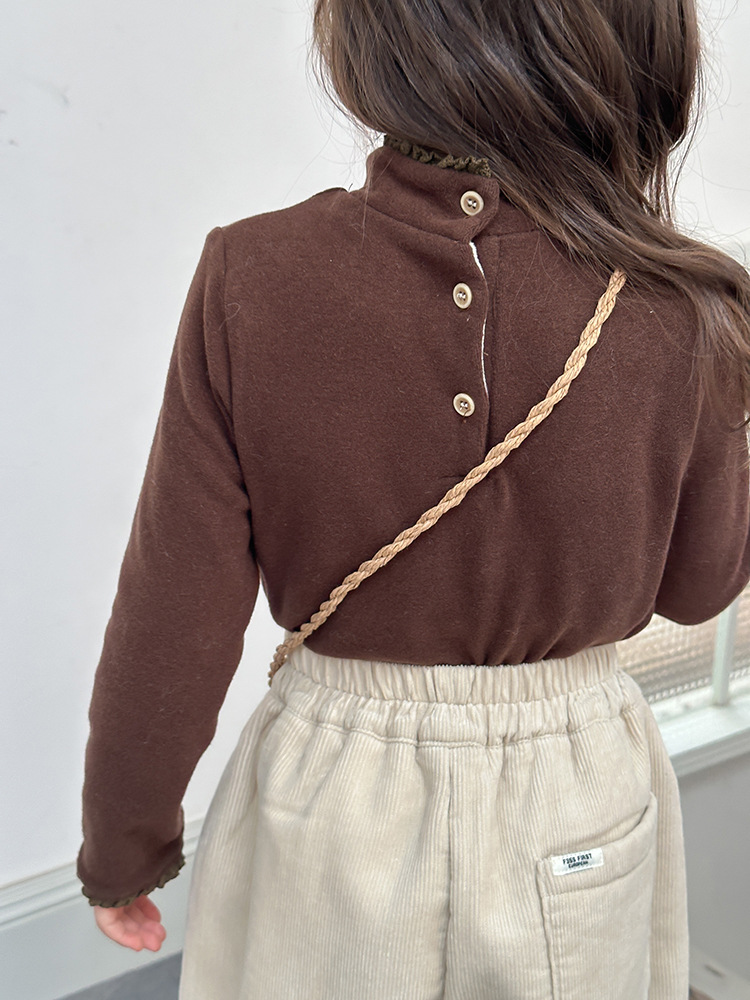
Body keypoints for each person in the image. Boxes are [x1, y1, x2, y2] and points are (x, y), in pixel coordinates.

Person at [77, 0, 750, 997]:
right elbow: (699, 589)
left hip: (334, 787)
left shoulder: (251, 273)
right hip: (577, 787)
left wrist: (123, 845)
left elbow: (173, 610)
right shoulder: (687, 301)